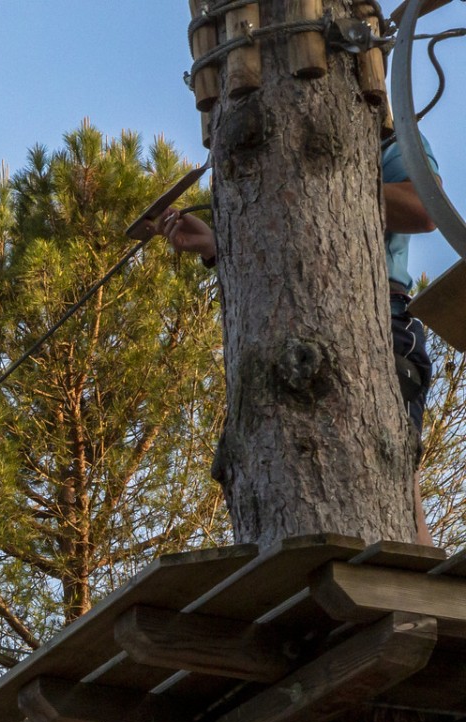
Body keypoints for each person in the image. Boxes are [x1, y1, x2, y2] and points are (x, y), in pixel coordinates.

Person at [156, 135, 440, 542]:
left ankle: (418, 594)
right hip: (293, 331)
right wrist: (216, 244)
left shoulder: (383, 135)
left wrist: (328, 186)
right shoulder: (264, 145)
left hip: (380, 320)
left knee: (389, 472)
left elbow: (423, 206)